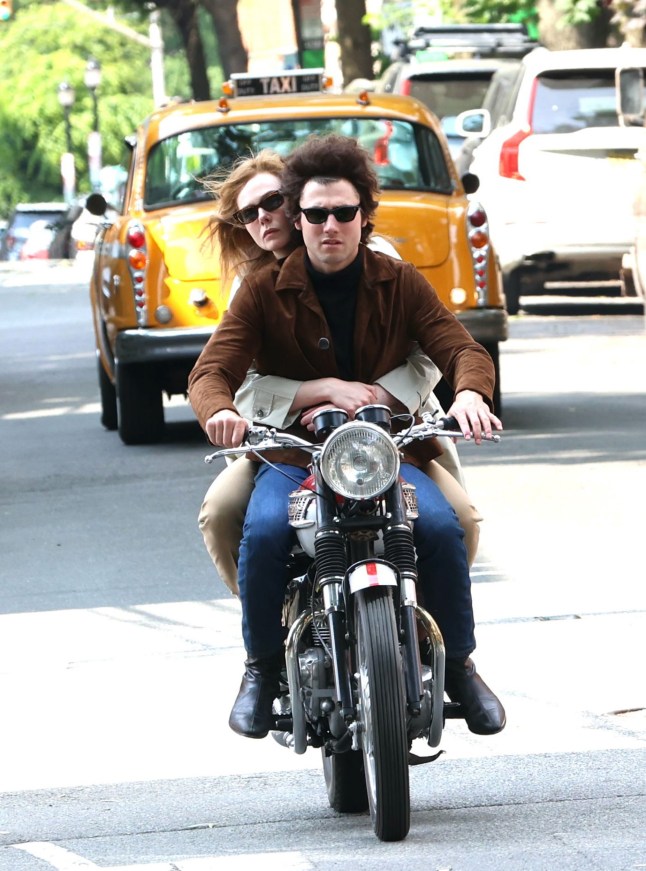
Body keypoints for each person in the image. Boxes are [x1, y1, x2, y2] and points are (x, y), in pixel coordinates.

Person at [189, 134, 506, 741]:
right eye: (314, 214)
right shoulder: (258, 289)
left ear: (364, 215)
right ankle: (261, 667)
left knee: (444, 525)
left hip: (391, 449)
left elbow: (459, 347)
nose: (328, 225)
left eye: (342, 213)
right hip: (291, 455)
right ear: (298, 217)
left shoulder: (398, 278)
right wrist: (220, 409)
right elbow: (212, 370)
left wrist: (469, 394)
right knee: (256, 528)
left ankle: (459, 665)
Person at [198, 151, 481, 597]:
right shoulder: (253, 288)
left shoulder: (386, 267)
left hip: (391, 438)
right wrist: (317, 392)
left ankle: (441, 635)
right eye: (248, 213)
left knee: (455, 522)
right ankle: (268, 634)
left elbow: (444, 348)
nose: (265, 218)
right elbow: (221, 374)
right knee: (232, 519)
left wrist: (452, 395)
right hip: (291, 448)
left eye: (272, 202)